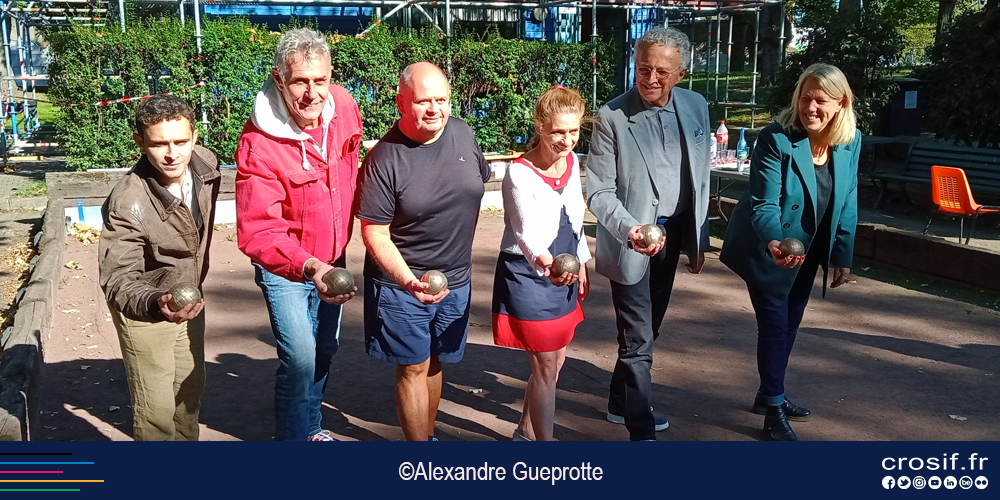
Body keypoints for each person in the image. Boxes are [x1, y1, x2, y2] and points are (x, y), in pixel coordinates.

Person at [720, 63, 860, 441]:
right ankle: (774, 409)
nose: (810, 108)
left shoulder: (850, 141)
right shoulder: (777, 138)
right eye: (805, 98)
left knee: (790, 324)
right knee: (774, 325)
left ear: (841, 103)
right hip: (768, 247)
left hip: (810, 250)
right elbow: (764, 204)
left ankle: (770, 393)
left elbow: (848, 200)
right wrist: (774, 243)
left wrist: (842, 255)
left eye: (821, 101)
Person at [235, 28, 363, 441]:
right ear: (279, 79)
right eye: (299, 82)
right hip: (286, 268)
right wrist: (310, 267)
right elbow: (259, 230)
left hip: (334, 257)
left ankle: (310, 427)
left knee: (325, 349)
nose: (312, 94)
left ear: (331, 75)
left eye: (320, 80)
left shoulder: (344, 107)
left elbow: (352, 170)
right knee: (301, 358)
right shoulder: (258, 144)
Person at [586, 27, 712, 441]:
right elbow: (598, 191)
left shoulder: (696, 105)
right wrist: (631, 229)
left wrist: (699, 240)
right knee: (638, 337)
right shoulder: (612, 116)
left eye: (662, 71)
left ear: (682, 74)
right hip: (631, 239)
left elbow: (701, 178)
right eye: (643, 69)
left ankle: (618, 401)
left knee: (649, 328)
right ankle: (641, 431)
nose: (651, 79)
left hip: (673, 235)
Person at [358, 61, 491, 441]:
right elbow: (374, 233)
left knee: (435, 363)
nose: (434, 109)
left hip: (456, 279)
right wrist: (408, 280)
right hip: (402, 285)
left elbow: (471, 191)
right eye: (423, 101)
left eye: (442, 100)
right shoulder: (384, 159)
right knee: (413, 367)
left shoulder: (462, 133)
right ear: (402, 102)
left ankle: (428, 438)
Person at [98, 95, 220, 441]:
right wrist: (157, 302)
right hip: (145, 307)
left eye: (180, 141)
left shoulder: (207, 166)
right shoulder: (127, 203)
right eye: (158, 144)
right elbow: (117, 279)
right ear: (140, 142)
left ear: (194, 136)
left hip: (189, 298)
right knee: (156, 414)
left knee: (188, 397)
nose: (172, 154)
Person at [492, 85, 592, 442]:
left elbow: (576, 217)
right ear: (540, 126)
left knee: (555, 361)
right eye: (558, 132)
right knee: (547, 364)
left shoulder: (572, 161)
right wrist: (550, 266)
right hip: (530, 273)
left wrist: (582, 260)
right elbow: (525, 234)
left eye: (573, 131)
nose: (567, 140)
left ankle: (524, 432)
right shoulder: (519, 173)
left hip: (566, 268)